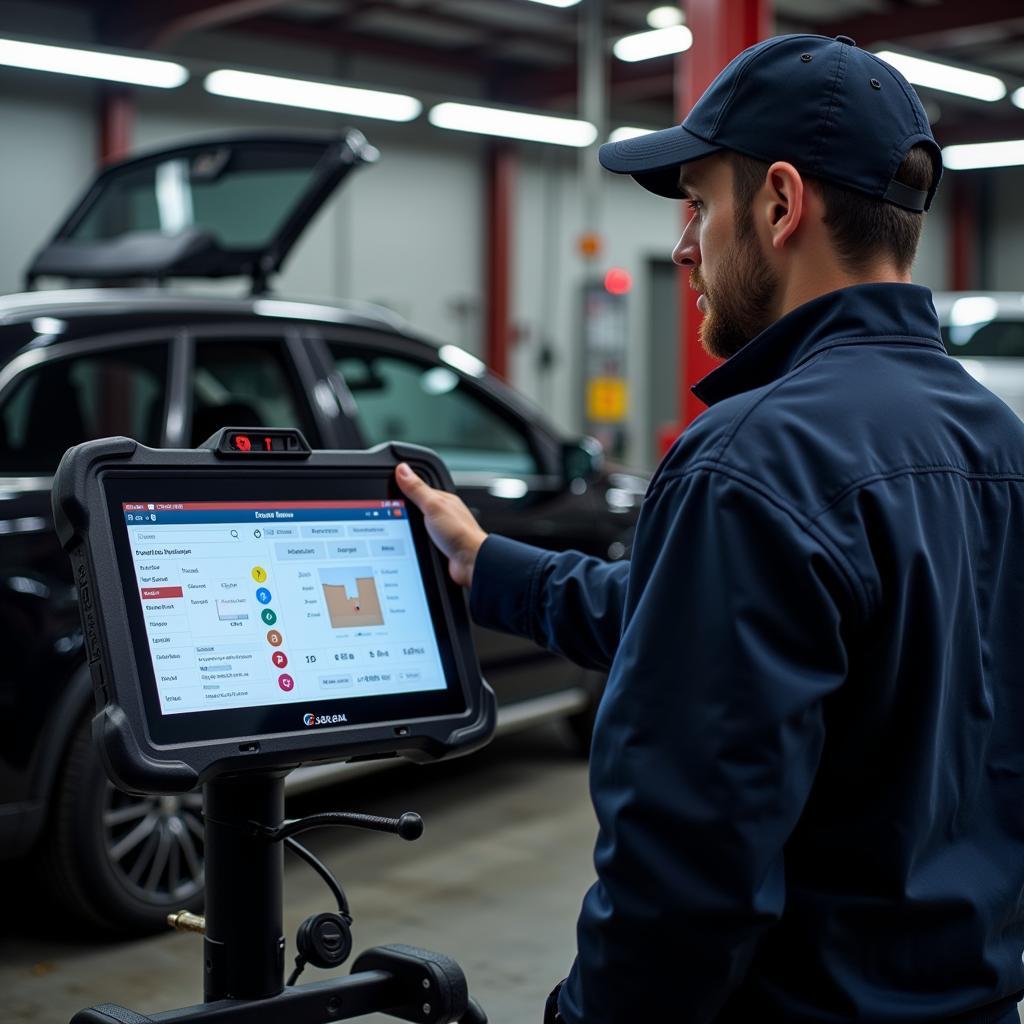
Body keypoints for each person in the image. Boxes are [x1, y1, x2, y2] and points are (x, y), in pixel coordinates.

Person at [397, 33, 1024, 1024]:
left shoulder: (751, 456)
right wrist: (485, 562)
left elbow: (686, 876)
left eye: (699, 202)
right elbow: (720, 631)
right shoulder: (995, 437)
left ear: (779, 202)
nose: (684, 244)